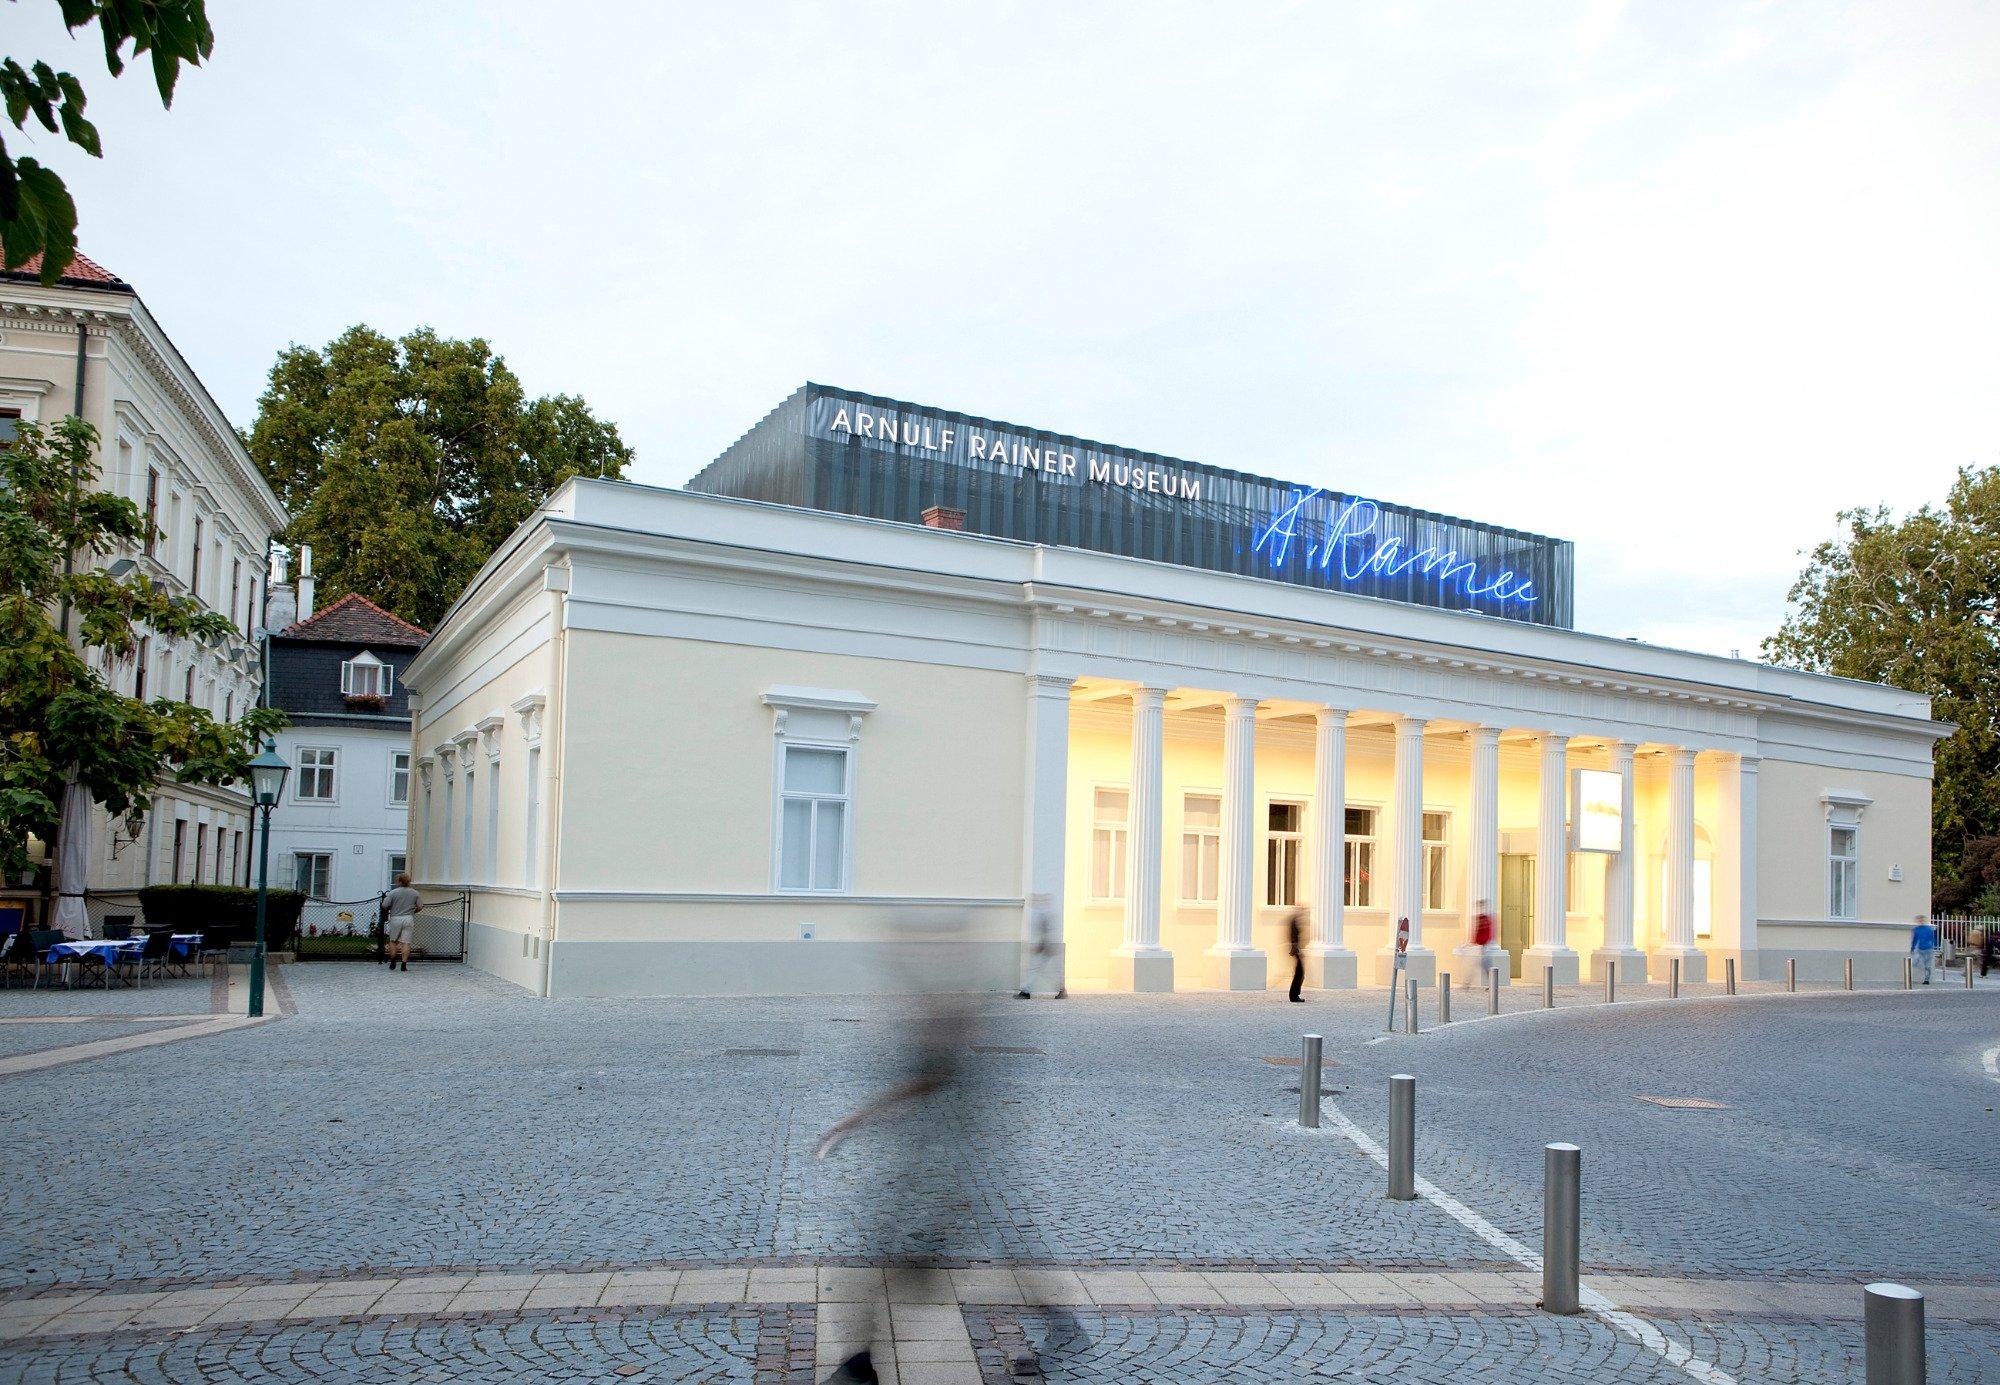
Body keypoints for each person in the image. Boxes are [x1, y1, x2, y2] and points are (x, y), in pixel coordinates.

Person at [1016, 895, 1065, 1000]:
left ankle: (1026, 991)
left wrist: (1039, 945)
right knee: (1049, 969)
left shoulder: (1044, 912)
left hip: (1047, 946)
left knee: (1036, 969)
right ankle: (1061, 989)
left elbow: (1045, 930)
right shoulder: (1044, 912)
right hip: (1049, 946)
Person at [382, 874, 422, 973]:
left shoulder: (393, 893)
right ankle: (404, 965)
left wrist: (391, 908)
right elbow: (420, 906)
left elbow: (384, 905)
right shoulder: (415, 893)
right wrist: (413, 911)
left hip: (395, 917)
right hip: (408, 918)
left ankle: (393, 960)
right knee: (406, 942)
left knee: (393, 941)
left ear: (399, 881)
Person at [1471, 900, 1499, 987]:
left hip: (1485, 945)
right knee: (1481, 964)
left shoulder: (1486, 918)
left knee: (1484, 964)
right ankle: (1492, 983)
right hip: (1482, 945)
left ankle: (1492, 984)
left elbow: (1487, 931)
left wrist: (1480, 942)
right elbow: (1477, 931)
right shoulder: (1480, 917)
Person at [1286, 907, 1308, 1002]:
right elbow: (1293, 937)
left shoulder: (1294, 920)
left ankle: (1294, 995)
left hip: (1296, 950)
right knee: (1300, 973)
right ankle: (1294, 996)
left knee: (1299, 973)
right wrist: (1297, 949)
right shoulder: (1294, 921)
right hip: (1296, 950)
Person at [1910, 914, 1938, 984]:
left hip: (1928, 949)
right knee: (1915, 962)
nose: (1921, 921)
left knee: (1928, 965)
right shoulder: (1916, 929)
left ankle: (1926, 979)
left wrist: (1933, 945)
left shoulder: (1929, 929)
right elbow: (1915, 939)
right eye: (1919, 920)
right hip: (1920, 949)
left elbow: (1933, 938)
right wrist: (1912, 948)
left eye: (1922, 919)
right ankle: (1925, 970)